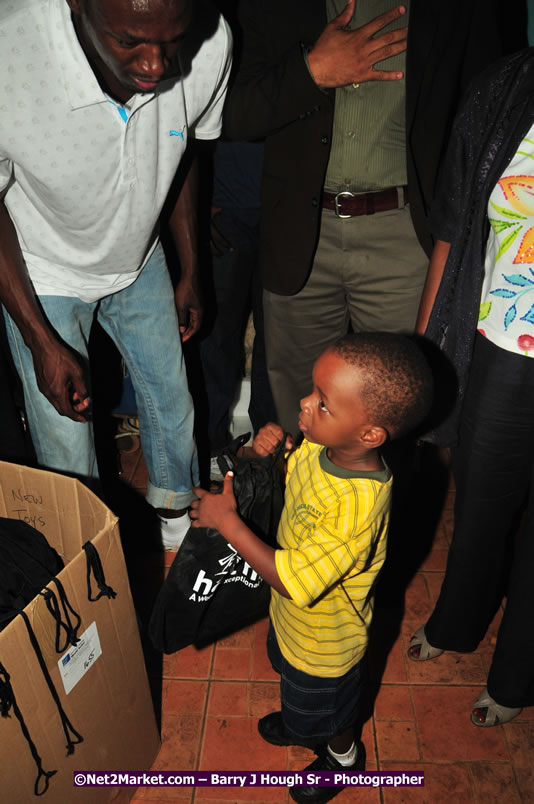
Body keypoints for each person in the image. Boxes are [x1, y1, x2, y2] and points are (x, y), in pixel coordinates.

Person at [223, 0, 526, 437]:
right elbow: (230, 114)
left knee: (400, 415)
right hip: (298, 233)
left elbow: (488, 110)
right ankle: (301, 506)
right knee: (298, 412)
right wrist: (310, 73)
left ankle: (387, 507)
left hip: (406, 232)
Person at [0, 0, 232, 549]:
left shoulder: (212, 38)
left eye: (172, 41)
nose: (156, 65)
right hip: (43, 270)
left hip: (140, 254)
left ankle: (175, 520)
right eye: (130, 41)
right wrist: (40, 341)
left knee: (172, 399)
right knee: (67, 439)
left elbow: (184, 146)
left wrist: (191, 269)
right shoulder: (10, 55)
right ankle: (90, 556)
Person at [190, 332, 433, 804]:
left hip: (324, 646)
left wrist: (229, 524)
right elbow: (291, 483)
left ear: (369, 434)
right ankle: (303, 723)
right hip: (292, 621)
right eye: (313, 391)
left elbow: (295, 581)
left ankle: (342, 756)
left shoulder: (356, 507)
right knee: (289, 677)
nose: (304, 403)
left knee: (330, 711)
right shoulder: (321, 448)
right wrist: (264, 454)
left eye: (322, 403)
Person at [407, 47, 534, 727]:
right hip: (508, 345)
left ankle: (517, 675)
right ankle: (456, 623)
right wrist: (427, 354)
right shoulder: (505, 87)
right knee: (480, 507)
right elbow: (454, 232)